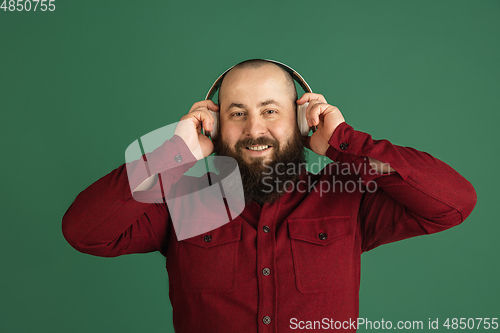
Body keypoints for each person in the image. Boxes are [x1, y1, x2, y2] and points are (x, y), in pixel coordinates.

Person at [62, 59, 477, 332]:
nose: (254, 130)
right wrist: (174, 154)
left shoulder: (347, 197)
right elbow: (85, 231)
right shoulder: (182, 202)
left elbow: (454, 202)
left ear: (299, 120)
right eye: (236, 113)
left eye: (270, 110)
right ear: (214, 124)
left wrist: (345, 141)